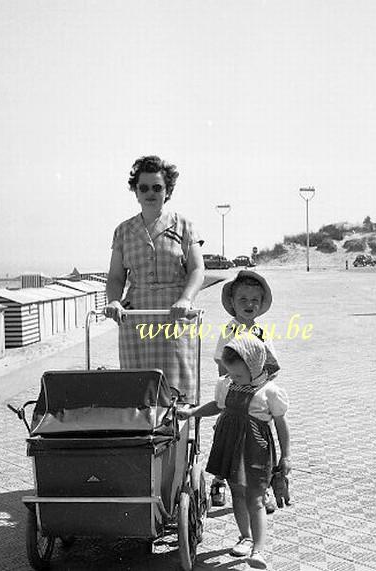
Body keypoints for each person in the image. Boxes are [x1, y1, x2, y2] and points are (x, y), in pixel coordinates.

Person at [178, 334, 291, 570]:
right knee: (237, 495)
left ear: (255, 366)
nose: (233, 377)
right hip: (230, 447)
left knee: (256, 499)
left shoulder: (269, 392)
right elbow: (217, 406)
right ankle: (245, 537)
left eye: (238, 374)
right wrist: (192, 412)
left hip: (256, 450)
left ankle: (258, 550)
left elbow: (281, 425)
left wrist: (286, 455)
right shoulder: (228, 384)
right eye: (230, 373)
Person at [104, 155, 205, 402]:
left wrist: (186, 299)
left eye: (157, 187)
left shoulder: (184, 226)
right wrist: (114, 301)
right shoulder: (124, 231)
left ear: (167, 191)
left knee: (175, 394)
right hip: (135, 319)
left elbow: (197, 270)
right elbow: (116, 277)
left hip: (173, 316)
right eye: (144, 187)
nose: (150, 193)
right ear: (136, 192)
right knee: (137, 394)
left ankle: (178, 438)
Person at [210, 270, 280, 511]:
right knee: (225, 435)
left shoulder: (261, 333)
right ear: (232, 302)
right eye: (243, 300)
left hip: (257, 398)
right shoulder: (229, 330)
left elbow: (272, 365)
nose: (249, 305)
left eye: (254, 301)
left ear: (260, 305)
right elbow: (222, 363)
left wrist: (266, 386)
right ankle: (219, 480)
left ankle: (264, 485)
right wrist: (227, 390)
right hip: (234, 394)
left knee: (260, 442)